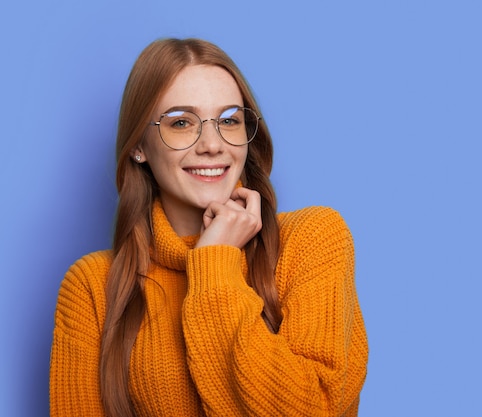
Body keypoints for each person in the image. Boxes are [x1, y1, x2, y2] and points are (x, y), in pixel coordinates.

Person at [49, 38, 368, 417]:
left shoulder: (313, 239)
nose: (213, 145)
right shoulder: (93, 287)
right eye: (182, 123)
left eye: (229, 120)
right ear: (139, 145)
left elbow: (314, 409)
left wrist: (215, 263)